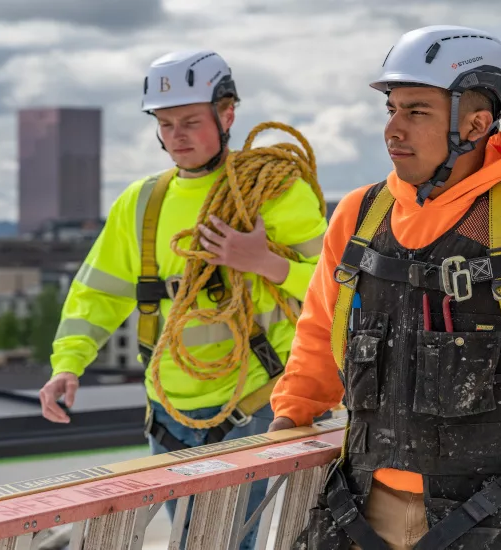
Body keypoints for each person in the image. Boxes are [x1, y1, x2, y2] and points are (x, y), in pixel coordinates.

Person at [268, 25, 501, 550]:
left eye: (417, 111)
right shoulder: (359, 215)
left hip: (489, 513)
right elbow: (319, 331)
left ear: (476, 123)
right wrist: (291, 414)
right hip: (359, 506)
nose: (393, 129)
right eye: (391, 109)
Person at [38, 49, 328, 550]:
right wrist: (69, 364)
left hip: (254, 402)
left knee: (223, 542)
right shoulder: (143, 203)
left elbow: (339, 287)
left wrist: (263, 262)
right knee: (195, 540)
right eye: (166, 123)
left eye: (191, 121)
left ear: (228, 114)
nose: (177, 135)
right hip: (168, 413)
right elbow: (98, 291)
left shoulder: (275, 192)